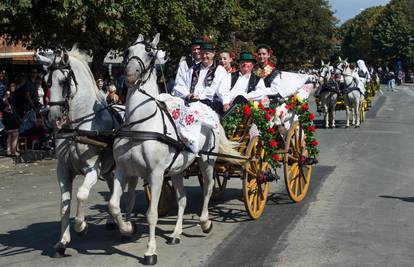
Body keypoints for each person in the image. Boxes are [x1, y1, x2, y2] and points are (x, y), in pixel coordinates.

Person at [172, 42, 229, 114]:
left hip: (209, 103)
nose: (204, 56)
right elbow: (180, 84)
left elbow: (221, 90)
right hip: (191, 101)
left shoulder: (219, 70)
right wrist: (187, 94)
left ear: (213, 54)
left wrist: (225, 102)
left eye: (207, 53)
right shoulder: (193, 68)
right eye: (202, 53)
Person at [2, 83, 20, 157]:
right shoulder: (8, 93)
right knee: (15, 133)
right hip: (9, 116)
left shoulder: (13, 94)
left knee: (10, 134)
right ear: (9, 87)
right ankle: (13, 150)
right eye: (11, 86)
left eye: (14, 86)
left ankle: (9, 151)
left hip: (9, 115)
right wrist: (8, 105)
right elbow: (4, 100)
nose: (13, 87)